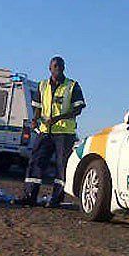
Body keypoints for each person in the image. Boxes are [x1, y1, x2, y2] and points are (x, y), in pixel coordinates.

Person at [16, 56, 86, 208]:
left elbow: (78, 108)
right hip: (45, 131)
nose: (58, 68)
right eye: (55, 66)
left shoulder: (72, 86)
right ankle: (30, 196)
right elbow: (38, 107)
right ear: (50, 68)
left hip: (64, 134)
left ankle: (55, 199)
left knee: (61, 166)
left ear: (64, 68)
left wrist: (58, 118)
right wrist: (35, 119)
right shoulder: (42, 86)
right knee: (36, 162)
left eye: (61, 66)